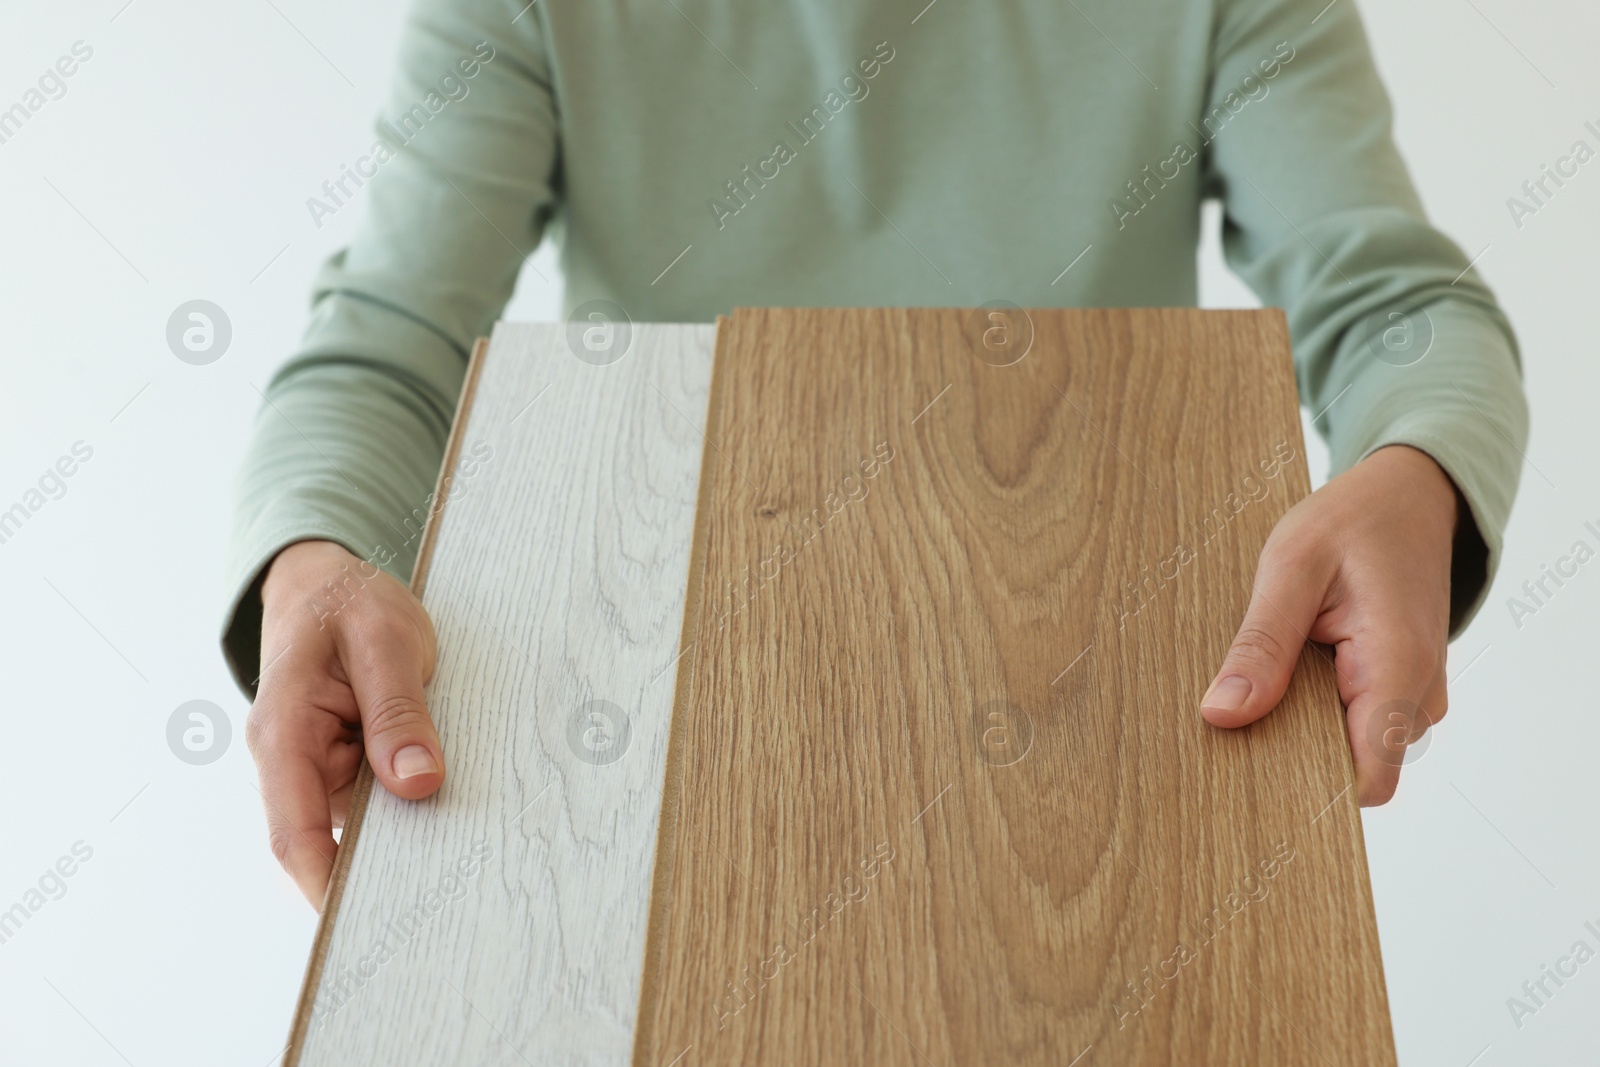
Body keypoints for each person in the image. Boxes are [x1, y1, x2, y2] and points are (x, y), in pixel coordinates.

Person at [224, 0, 1528, 907]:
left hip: (1103, 755)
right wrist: (314, 562)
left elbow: (1396, 308)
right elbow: (391, 344)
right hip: (657, 762)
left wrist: (1418, 470)